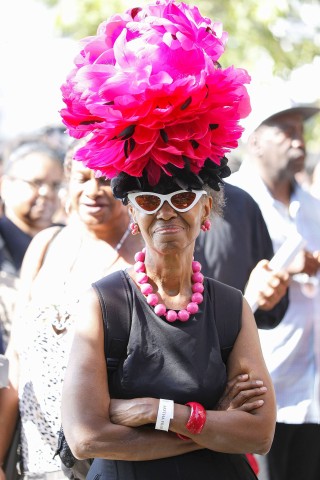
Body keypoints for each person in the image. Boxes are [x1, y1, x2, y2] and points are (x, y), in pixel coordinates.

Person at [59, 2, 276, 479]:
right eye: (149, 201)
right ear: (132, 213)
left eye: (181, 198)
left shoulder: (229, 306)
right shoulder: (105, 303)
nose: (167, 213)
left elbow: (259, 434)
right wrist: (212, 423)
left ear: (206, 209)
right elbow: (86, 436)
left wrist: (160, 413)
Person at [0, 139, 145, 479]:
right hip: (34, 453)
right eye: (82, 178)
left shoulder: (144, 259)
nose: (93, 190)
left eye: (106, 180)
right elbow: (17, 360)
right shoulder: (46, 244)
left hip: (106, 458)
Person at [229, 88, 320, 480]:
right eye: (283, 128)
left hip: (312, 392)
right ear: (254, 140)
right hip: (264, 392)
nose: (296, 137)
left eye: (299, 128)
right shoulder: (228, 203)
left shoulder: (313, 208)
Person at [195, 181, 289, 329]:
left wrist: (267, 295)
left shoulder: (241, 204)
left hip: (231, 348)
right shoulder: (150, 203)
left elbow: (268, 309)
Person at [0, 140, 64, 350]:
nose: (46, 193)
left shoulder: (68, 242)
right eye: (36, 183)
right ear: (4, 186)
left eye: (55, 185)